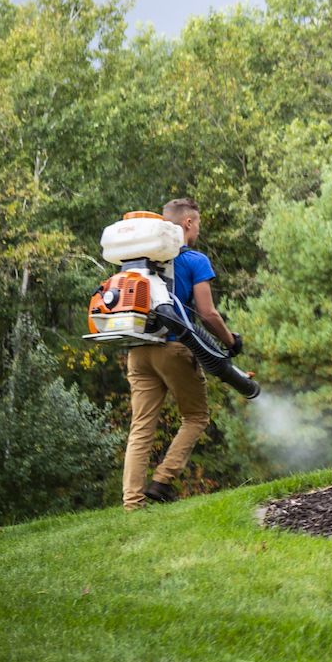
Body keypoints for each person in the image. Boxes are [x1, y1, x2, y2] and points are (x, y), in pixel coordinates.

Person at [121, 197, 239, 509]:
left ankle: (133, 503)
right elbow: (208, 314)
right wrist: (231, 342)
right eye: (197, 224)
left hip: (138, 349)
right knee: (196, 416)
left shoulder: (138, 258)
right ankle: (162, 480)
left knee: (141, 427)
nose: (197, 231)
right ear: (188, 223)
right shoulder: (194, 260)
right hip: (173, 348)